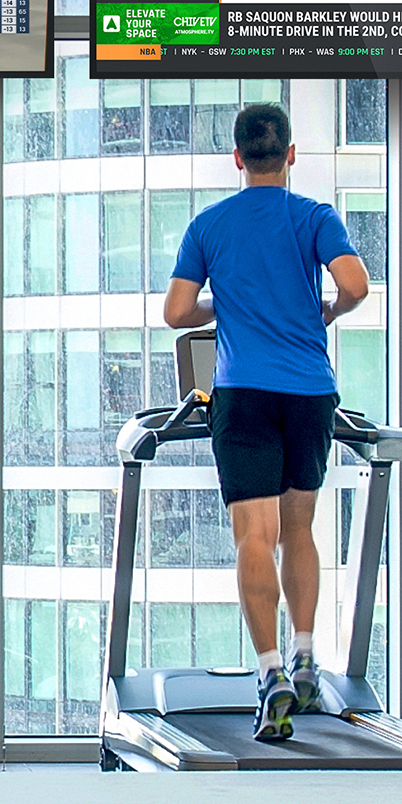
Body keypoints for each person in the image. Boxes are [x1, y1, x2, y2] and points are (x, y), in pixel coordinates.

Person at [162, 103, 369, 742]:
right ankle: (307, 652)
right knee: (299, 527)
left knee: (255, 535)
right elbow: (356, 284)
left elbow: (175, 312)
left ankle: (272, 672)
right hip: (309, 390)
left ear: (236, 157)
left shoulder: (210, 224)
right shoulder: (314, 216)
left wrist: (224, 303)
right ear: (291, 154)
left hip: (242, 392)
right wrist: (322, 316)